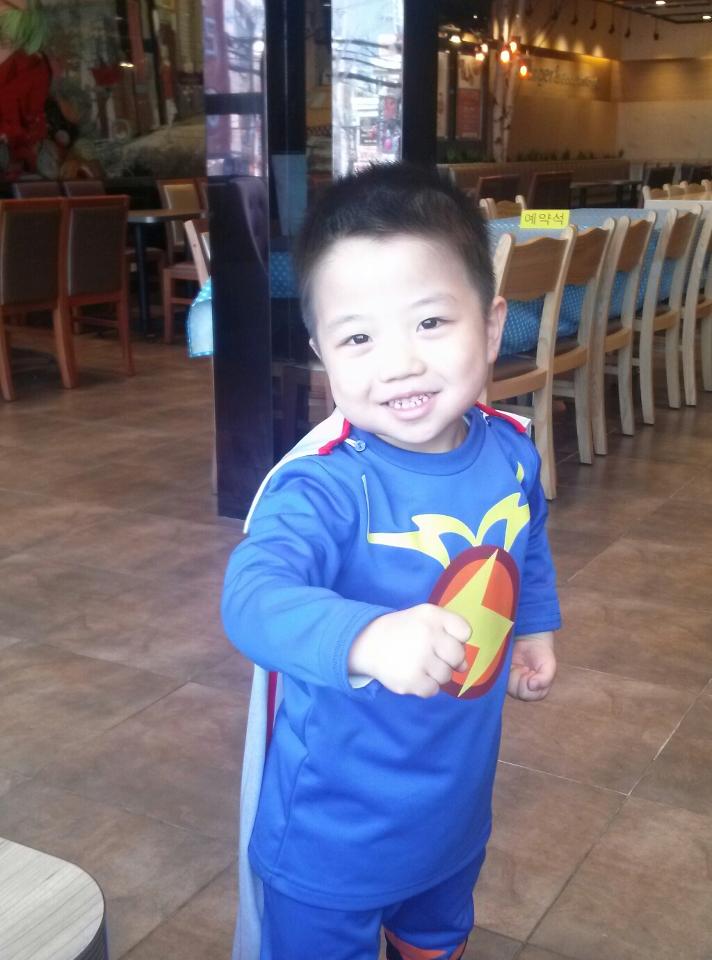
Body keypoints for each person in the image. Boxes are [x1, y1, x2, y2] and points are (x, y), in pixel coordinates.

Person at [222, 162, 560, 960]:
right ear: (322, 353)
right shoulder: (324, 486)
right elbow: (250, 596)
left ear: (491, 326)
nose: (399, 362)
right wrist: (366, 638)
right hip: (332, 835)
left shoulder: (511, 451)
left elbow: (526, 538)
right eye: (359, 338)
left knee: (436, 939)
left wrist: (535, 625)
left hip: (453, 812)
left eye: (430, 322)